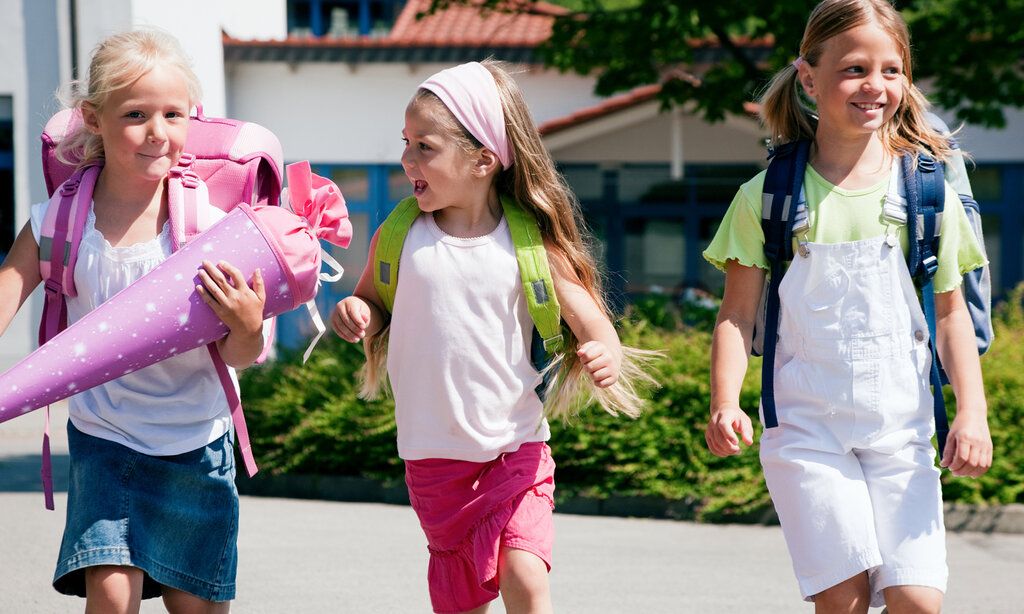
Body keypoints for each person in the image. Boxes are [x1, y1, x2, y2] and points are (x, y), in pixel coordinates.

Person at [331, 60, 654, 614]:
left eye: (424, 147)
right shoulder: (398, 234)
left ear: (483, 158)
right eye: (406, 144)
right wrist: (355, 312)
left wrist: (604, 349)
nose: (407, 159)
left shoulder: (527, 243)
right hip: (433, 458)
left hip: (516, 449)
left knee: (524, 575)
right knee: (461, 601)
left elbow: (592, 318)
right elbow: (374, 302)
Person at [702, 1, 992, 612]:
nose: (875, 86)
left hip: (903, 429)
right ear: (808, 77)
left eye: (892, 70)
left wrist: (973, 413)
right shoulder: (768, 197)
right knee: (846, 600)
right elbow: (736, 315)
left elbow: (950, 314)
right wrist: (724, 401)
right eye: (855, 68)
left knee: (918, 601)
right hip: (807, 432)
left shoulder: (927, 190)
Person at [0, 30, 266, 612]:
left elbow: (241, 355)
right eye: (136, 114)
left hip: (198, 440)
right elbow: (6, 292)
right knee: (112, 596)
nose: (158, 132)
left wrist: (248, 325)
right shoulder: (57, 220)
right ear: (93, 118)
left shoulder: (207, 225)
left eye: (174, 114)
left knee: (192, 607)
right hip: (105, 437)